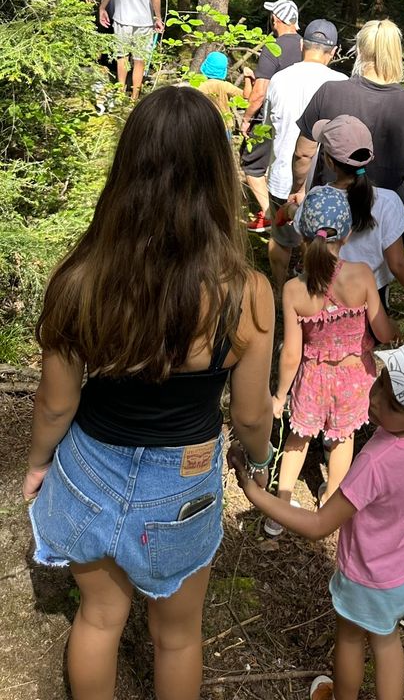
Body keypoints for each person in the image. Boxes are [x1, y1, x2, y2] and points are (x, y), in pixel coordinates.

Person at [23, 86, 275, 700]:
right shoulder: (247, 293)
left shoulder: (81, 278)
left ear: (128, 170)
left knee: (98, 618)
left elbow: (56, 402)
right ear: (218, 176)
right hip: (184, 481)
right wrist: (259, 458)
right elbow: (249, 415)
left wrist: (37, 463)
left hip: (89, 466)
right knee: (179, 637)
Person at [231, 338, 404, 700]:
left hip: (372, 579)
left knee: (351, 638)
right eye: (382, 383)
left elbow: (318, 526)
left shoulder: (376, 461)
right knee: (386, 640)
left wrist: (255, 493)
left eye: (393, 403)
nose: (376, 399)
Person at [264, 186, 398, 537]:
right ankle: (329, 505)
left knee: (298, 439)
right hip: (355, 378)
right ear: (349, 232)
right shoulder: (362, 275)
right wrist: (395, 330)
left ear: (302, 236)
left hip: (313, 378)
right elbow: (382, 331)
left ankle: (280, 508)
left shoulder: (294, 289)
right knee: (342, 440)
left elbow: (291, 353)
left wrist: (280, 395)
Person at [290, 20, 404, 242]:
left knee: (326, 264)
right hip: (385, 221)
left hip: (330, 214)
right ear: (397, 54)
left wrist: (298, 189)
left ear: (359, 51)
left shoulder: (330, 91)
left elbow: (303, 153)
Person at [293, 116, 404, 309]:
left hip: (322, 294)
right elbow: (398, 264)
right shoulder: (388, 202)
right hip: (372, 297)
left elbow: (305, 244)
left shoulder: (316, 198)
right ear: (369, 157)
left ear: (329, 162)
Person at [265, 20, 347, 291]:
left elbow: (267, 126)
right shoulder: (342, 83)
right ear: (333, 51)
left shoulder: (279, 79)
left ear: (302, 44)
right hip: (325, 183)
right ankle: (314, 295)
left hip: (282, 176)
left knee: (281, 238)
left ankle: (280, 292)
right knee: (318, 241)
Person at [240, 0, 302, 232]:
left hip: (272, 117)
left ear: (276, 19)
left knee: (252, 164)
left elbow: (259, 92)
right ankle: (291, 213)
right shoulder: (307, 46)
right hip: (303, 118)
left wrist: (246, 119)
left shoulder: (273, 47)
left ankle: (269, 214)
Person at [99, 0, 164, 100]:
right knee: (139, 60)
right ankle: (135, 97)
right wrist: (158, 17)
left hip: (122, 17)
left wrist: (102, 7)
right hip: (144, 20)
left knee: (121, 57)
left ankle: (120, 94)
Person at [198, 51, 245, 137]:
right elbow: (246, 96)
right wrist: (248, 78)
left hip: (204, 127)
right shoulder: (225, 86)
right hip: (224, 127)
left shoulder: (198, 87)